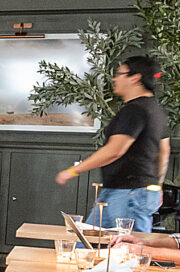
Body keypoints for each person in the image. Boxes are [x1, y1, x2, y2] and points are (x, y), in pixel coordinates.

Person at [55, 52, 171, 230]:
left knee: (127, 250)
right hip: (130, 192)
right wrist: (157, 185)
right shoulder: (156, 110)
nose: (115, 79)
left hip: (127, 194)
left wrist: (73, 170)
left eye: (119, 74)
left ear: (135, 78)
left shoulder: (134, 110)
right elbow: (164, 153)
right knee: (88, 244)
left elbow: (115, 150)